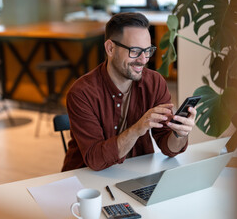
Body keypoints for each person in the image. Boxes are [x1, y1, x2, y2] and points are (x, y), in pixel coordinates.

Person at [61, 12, 197, 172]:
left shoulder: (155, 83)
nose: (143, 59)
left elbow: (169, 148)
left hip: (134, 173)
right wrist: (137, 129)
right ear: (110, 48)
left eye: (147, 50)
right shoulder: (82, 93)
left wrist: (179, 134)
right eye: (135, 51)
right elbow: (96, 160)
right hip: (85, 180)